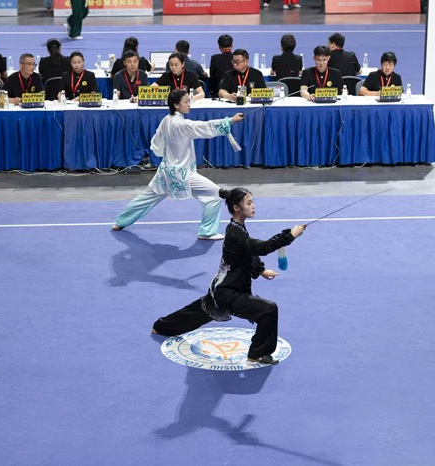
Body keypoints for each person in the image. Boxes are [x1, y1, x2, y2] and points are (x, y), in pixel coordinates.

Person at [152, 187, 306, 365]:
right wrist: (290, 235)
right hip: (228, 292)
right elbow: (261, 248)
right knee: (268, 310)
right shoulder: (234, 232)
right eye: (249, 203)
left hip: (223, 288)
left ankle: (162, 326)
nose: (254, 206)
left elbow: (246, 252)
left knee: (198, 312)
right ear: (236, 208)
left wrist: (260, 270)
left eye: (253, 202)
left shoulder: (238, 228)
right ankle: (258, 353)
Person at [112, 89, 244, 240]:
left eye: (189, 101)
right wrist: (230, 121)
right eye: (186, 102)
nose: (189, 104)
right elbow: (202, 127)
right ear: (176, 105)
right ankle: (207, 232)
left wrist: (166, 154)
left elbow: (156, 142)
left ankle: (119, 222)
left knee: (145, 199)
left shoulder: (166, 120)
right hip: (182, 173)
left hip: (165, 171)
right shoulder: (181, 124)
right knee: (214, 194)